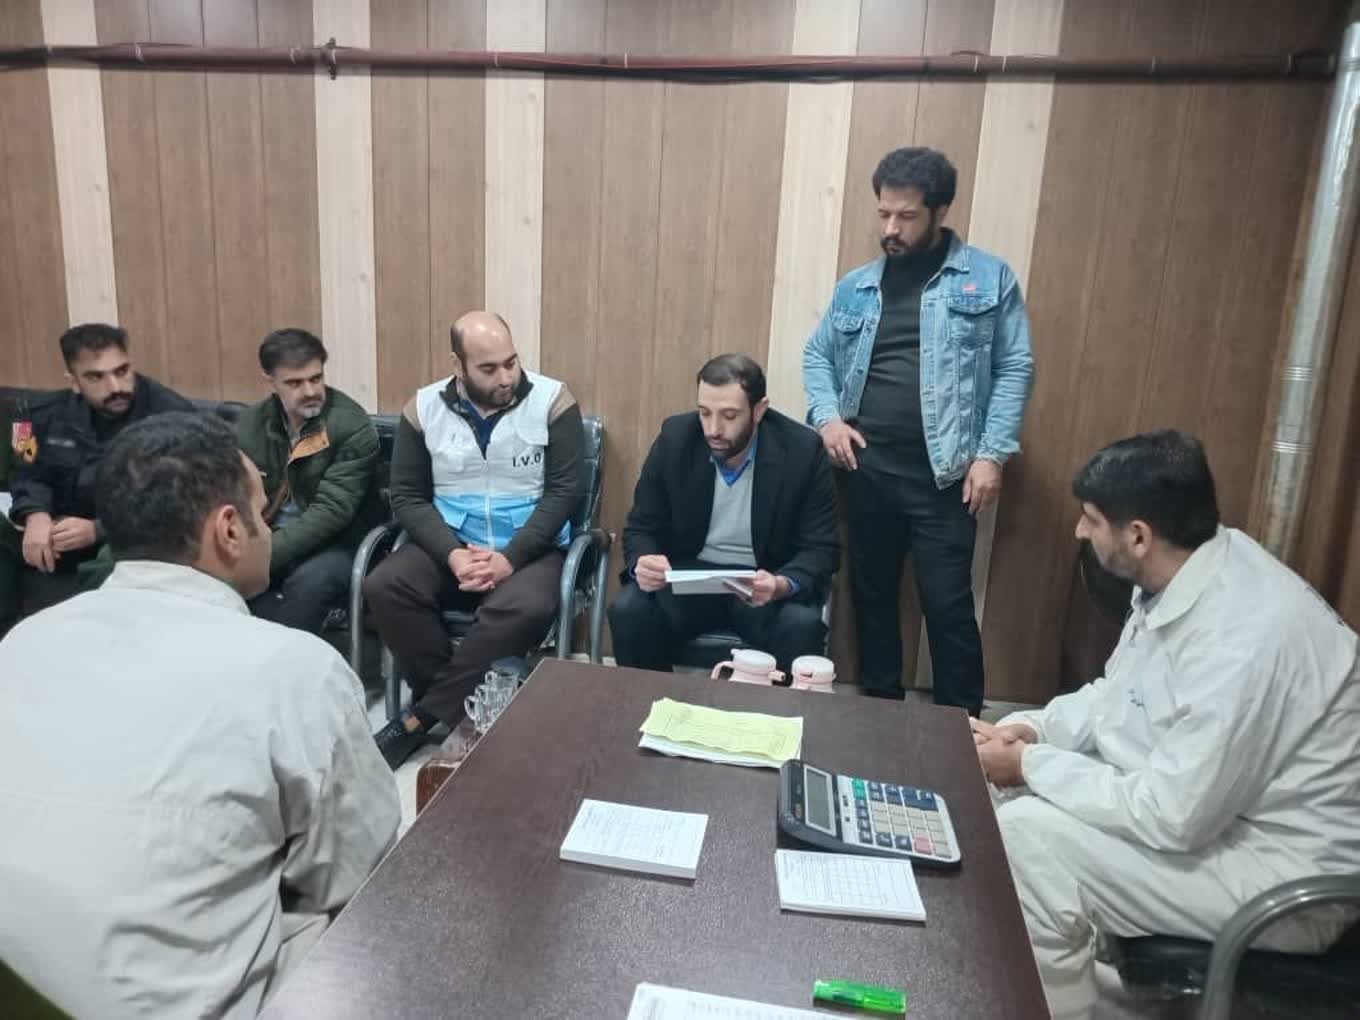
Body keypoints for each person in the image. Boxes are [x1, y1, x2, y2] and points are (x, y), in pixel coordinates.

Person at [0, 412, 399, 1019]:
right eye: (262, 513)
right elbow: (355, 869)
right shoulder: (297, 671)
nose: (268, 530)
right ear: (229, 530)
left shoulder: (24, 642)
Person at [972, 431, 1360, 1020]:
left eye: (1090, 520)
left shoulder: (1244, 640)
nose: (1079, 532)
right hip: (1224, 818)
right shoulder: (1189, 572)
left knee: (1031, 838)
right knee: (1017, 801)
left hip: (1285, 877)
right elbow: (1119, 698)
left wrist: (1028, 765)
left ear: (1138, 536)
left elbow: (1172, 817)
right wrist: (1031, 732)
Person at [803, 147, 1034, 714]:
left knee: (947, 605)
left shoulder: (987, 279)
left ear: (940, 212)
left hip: (946, 477)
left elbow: (1015, 366)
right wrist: (828, 419)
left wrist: (992, 455)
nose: (891, 228)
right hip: (867, 470)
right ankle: (880, 718)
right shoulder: (857, 286)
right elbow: (817, 355)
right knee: (872, 600)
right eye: (884, 214)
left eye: (906, 217)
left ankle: (963, 732)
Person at [363, 311, 583, 769]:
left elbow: (565, 492)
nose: (505, 377)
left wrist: (510, 559)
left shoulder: (553, 401)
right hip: (452, 541)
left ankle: (420, 719)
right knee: (385, 585)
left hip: (530, 547)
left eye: (511, 362)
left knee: (523, 607)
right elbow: (407, 495)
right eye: (488, 368)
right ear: (458, 366)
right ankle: (466, 708)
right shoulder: (423, 408)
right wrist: (453, 555)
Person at [609, 354, 838, 673]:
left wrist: (781, 584)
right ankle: (655, 702)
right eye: (704, 413)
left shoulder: (802, 450)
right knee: (629, 610)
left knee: (800, 626)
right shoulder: (676, 438)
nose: (713, 429)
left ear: (759, 410)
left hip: (763, 580)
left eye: (729, 415)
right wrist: (642, 563)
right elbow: (641, 527)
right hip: (690, 578)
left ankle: (775, 708)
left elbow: (821, 548)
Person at [1, 323, 194, 636]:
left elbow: (179, 497)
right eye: (96, 377)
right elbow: (24, 469)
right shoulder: (31, 415)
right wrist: (35, 514)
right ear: (74, 382)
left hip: (125, 538)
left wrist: (98, 529)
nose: (115, 386)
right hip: (56, 532)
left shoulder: (172, 416)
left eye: (122, 371)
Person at [237, 328, 380, 633]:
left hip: (336, 544)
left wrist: (263, 555)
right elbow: (235, 496)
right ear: (270, 382)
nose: (310, 391)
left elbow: (331, 512)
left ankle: (290, 661)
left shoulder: (350, 425)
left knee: (309, 585)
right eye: (295, 383)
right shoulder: (250, 425)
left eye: (316, 378)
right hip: (270, 535)